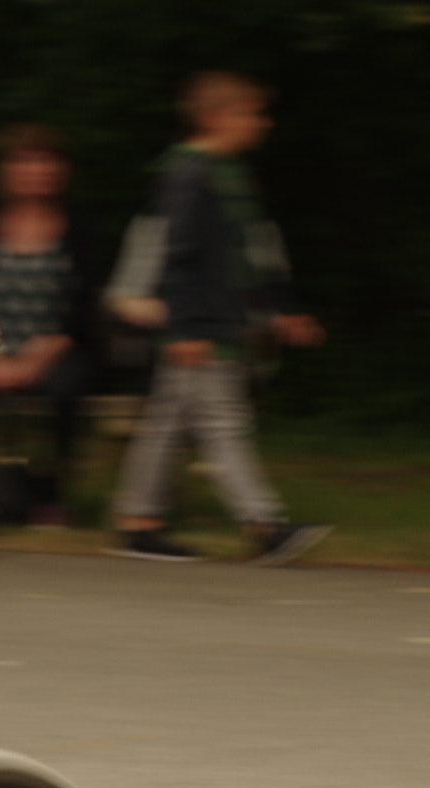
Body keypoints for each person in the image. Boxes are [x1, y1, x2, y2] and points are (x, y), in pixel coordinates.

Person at [108, 72, 329, 565]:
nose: (261, 123)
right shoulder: (190, 174)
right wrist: (184, 328)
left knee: (167, 424)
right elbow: (179, 254)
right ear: (213, 116)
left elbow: (250, 255)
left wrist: (281, 311)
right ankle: (264, 526)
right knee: (223, 423)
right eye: (249, 113)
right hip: (200, 327)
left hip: (215, 323)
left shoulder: (227, 174)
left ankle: (138, 522)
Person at [0, 126, 101, 528]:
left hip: (58, 349)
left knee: (66, 389)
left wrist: (39, 358)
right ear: (4, 170)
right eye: (24, 161)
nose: (35, 170)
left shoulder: (79, 227)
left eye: (45, 160)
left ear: (61, 170)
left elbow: (84, 310)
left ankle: (47, 495)